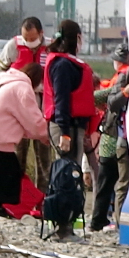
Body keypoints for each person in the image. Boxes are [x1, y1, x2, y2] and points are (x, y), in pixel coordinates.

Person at [0, 62, 49, 219]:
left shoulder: (8, 84)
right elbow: (32, 120)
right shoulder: (22, 88)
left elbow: (20, 120)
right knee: (8, 172)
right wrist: (47, 134)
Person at [40, 20, 98, 196]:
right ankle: (61, 219)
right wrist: (64, 133)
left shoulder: (70, 63)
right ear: (78, 38)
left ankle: (68, 217)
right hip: (65, 126)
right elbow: (61, 100)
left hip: (75, 125)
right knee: (66, 173)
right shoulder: (62, 65)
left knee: (73, 172)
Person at [87, 67, 129, 233]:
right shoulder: (120, 87)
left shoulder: (114, 86)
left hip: (111, 141)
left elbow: (94, 98)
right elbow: (94, 98)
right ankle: (103, 221)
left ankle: (98, 221)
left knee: (107, 185)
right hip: (115, 142)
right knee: (114, 185)